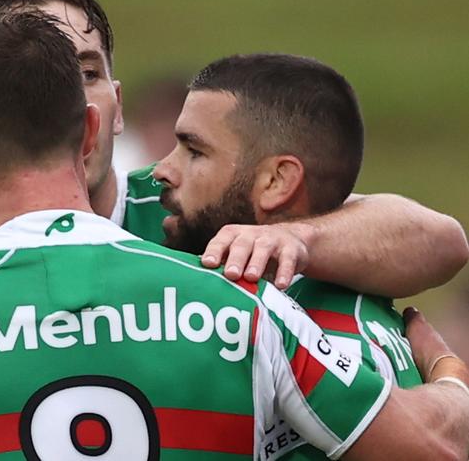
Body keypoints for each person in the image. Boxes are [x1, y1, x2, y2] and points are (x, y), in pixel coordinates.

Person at [0, 11, 469, 461]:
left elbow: (434, 237)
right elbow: (433, 445)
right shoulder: (244, 307)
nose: (165, 166)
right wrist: (446, 372)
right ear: (89, 132)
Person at [0, 0, 469, 298]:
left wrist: (298, 239)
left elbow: (438, 242)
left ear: (116, 108)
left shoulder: (193, 207)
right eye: (35, 82)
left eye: (87, 74)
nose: (69, 102)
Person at [150, 53, 455, 459]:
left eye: (194, 151)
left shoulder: (324, 343)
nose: (161, 170)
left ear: (277, 181)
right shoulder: (352, 285)